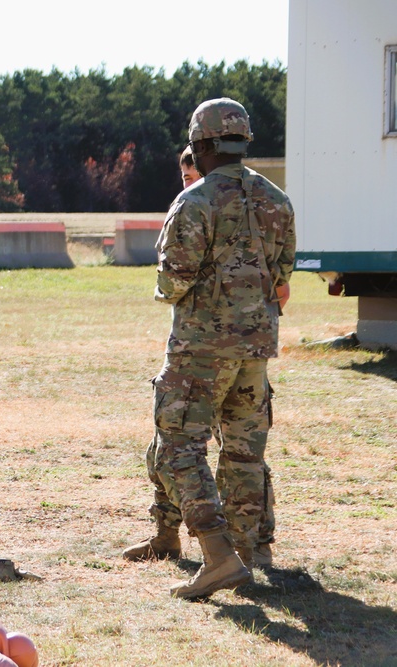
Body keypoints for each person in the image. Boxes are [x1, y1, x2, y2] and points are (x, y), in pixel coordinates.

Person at [129, 99, 295, 599]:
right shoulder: (277, 200)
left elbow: (172, 282)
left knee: (179, 445)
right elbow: (282, 277)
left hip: (200, 349)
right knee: (244, 454)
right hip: (256, 349)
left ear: (201, 145)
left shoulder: (194, 201)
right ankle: (245, 555)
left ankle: (219, 557)